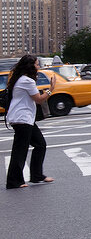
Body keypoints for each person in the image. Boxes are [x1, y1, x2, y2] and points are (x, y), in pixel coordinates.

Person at [5, 55, 57, 189]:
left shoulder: (21, 79)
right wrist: (51, 89)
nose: (38, 67)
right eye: (37, 64)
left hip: (24, 119)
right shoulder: (27, 81)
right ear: (31, 66)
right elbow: (39, 99)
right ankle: (14, 181)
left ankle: (36, 175)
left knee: (40, 144)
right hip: (22, 119)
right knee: (20, 150)